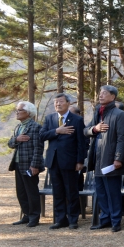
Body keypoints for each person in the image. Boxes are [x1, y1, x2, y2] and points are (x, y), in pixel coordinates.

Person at [85, 85, 124, 232]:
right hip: (97, 158)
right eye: (100, 92)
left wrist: (118, 158)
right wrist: (95, 129)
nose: (101, 95)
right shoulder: (98, 112)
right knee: (101, 192)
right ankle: (105, 219)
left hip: (111, 160)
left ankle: (116, 221)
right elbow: (86, 130)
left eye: (104, 93)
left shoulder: (119, 114)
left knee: (113, 192)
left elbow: (123, 139)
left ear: (113, 96)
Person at [40, 93, 87, 230]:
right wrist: (57, 131)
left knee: (71, 191)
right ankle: (60, 219)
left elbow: (81, 142)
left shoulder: (77, 120)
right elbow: (42, 136)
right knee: (58, 192)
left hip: (70, 161)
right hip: (53, 161)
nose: (57, 104)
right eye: (55, 102)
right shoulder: (50, 119)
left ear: (68, 103)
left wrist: (80, 161)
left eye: (60, 102)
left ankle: (73, 219)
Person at [8, 101, 44, 227]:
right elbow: (10, 144)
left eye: (19, 110)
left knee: (31, 192)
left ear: (28, 113)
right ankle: (27, 215)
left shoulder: (35, 127)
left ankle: (34, 217)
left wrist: (34, 165)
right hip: (18, 164)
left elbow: (38, 149)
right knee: (21, 192)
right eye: (17, 110)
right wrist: (16, 139)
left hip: (29, 165)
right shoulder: (18, 127)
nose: (17, 112)